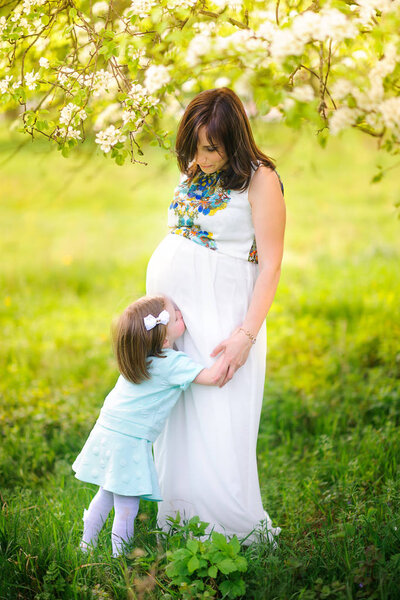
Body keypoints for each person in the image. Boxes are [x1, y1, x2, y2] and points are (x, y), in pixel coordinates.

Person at [146, 87, 286, 545]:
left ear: (234, 139)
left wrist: (246, 334)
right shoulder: (195, 168)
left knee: (218, 414)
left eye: (211, 148)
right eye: (194, 146)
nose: (201, 157)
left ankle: (231, 532)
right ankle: (181, 523)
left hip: (225, 312)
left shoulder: (261, 178)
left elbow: (271, 265)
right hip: (178, 318)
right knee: (180, 411)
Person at [72, 294, 225, 557]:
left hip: (108, 428)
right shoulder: (171, 363)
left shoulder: (137, 358)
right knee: (127, 504)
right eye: (176, 315)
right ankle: (119, 559)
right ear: (165, 340)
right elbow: (212, 377)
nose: (181, 312)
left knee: (107, 493)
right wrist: (234, 353)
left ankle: (86, 545)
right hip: (129, 439)